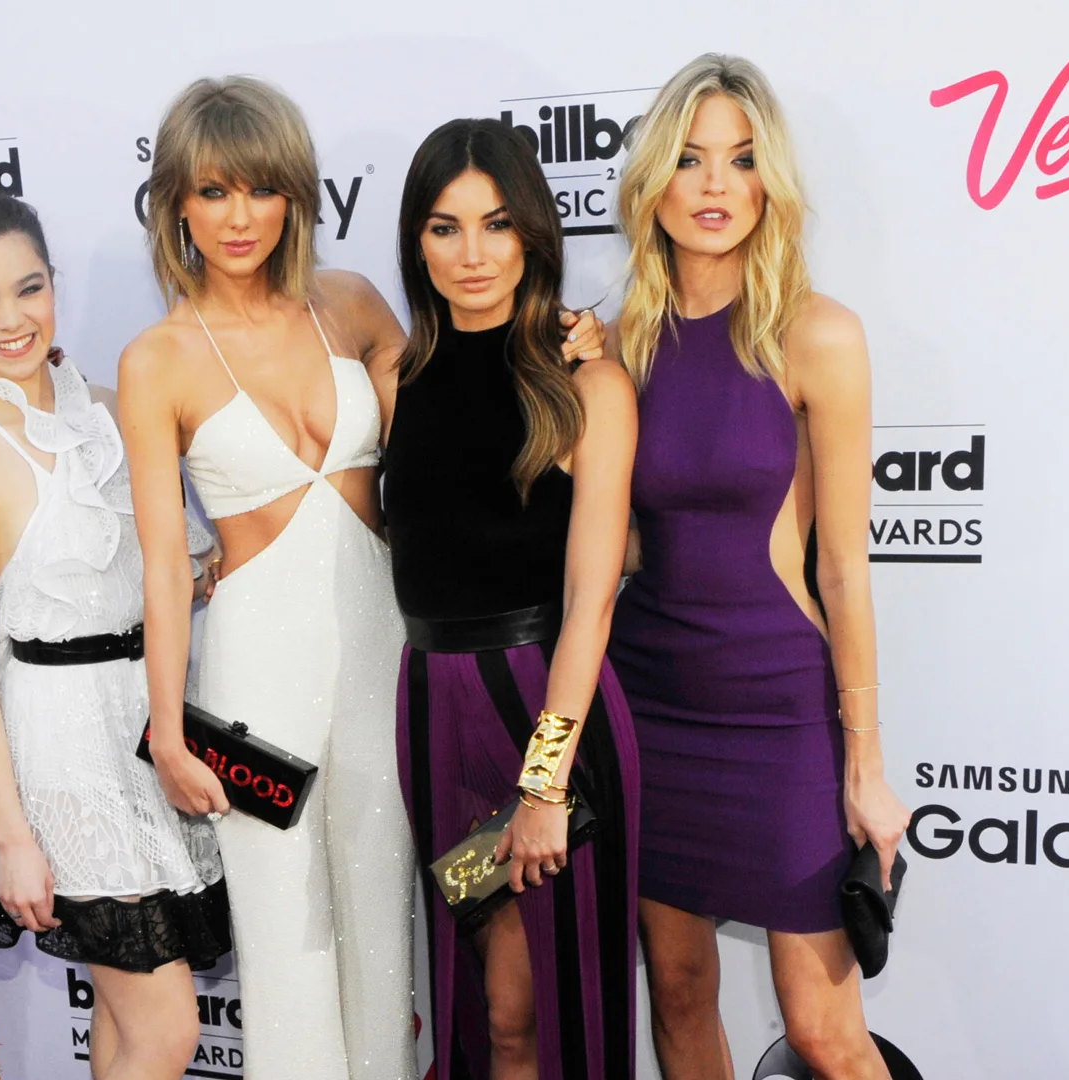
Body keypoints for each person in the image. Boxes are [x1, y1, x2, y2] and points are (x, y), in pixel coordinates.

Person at [605, 55, 912, 1080]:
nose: (714, 186)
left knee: (825, 1031)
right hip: (650, 706)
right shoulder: (617, 346)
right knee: (680, 996)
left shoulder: (817, 336)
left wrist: (864, 763)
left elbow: (846, 569)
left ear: (769, 179)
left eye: (740, 160)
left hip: (779, 715)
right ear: (654, 180)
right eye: (690, 160)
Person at [116, 75, 419, 1080]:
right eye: (211, 192)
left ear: (296, 195)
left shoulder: (351, 306)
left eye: (259, 189)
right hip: (255, 675)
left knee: (384, 917)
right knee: (287, 937)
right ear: (177, 207)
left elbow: (450, 425)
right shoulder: (158, 359)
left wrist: (561, 354)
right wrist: (167, 727)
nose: (237, 217)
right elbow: (165, 560)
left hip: (383, 647)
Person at [0, 178, 230, 1080]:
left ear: (53, 284)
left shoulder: (107, 403)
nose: (10, 320)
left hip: (151, 718)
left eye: (28, 288)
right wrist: (11, 837)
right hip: (61, 750)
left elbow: (183, 563)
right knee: (167, 1028)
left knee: (128, 1026)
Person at [383, 118, 640, 1080]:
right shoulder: (395, 373)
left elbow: (591, 605)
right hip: (431, 711)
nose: (473, 253)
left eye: (496, 225)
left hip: (545, 707)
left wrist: (543, 783)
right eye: (445, 228)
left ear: (533, 231)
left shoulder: (587, 384)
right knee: (475, 1012)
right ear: (415, 239)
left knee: (534, 1012)